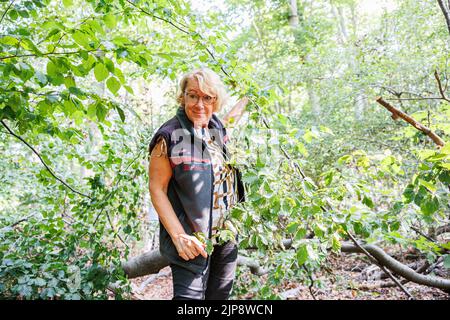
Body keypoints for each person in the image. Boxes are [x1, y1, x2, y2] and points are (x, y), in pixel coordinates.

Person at [148, 68, 246, 300]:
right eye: (193, 95)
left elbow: (230, 120)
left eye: (207, 97)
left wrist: (249, 96)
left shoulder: (216, 128)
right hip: (193, 240)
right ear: (183, 97)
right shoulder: (169, 136)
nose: (199, 104)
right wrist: (179, 237)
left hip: (226, 237)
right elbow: (157, 188)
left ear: (215, 101)